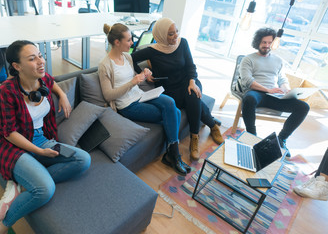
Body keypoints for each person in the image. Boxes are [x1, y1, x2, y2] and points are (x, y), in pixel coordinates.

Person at [0, 40, 91, 234]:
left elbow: (53, 83)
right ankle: (0, 225)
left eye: (41, 56)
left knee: (83, 159)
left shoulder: (42, 80)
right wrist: (38, 150)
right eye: (32, 59)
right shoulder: (5, 93)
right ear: (17, 67)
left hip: (43, 139)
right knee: (45, 189)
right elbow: (9, 133)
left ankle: (22, 186)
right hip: (14, 148)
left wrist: (63, 95)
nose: (40, 62)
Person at [99, 23, 190, 176]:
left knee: (170, 103)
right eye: (128, 40)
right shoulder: (105, 65)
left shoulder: (127, 57)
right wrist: (132, 83)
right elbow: (108, 95)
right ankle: (173, 155)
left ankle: (172, 155)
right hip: (127, 106)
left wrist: (145, 72)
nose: (132, 43)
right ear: (117, 42)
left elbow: (136, 76)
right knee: (175, 114)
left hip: (140, 95)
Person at [131, 17, 223, 161]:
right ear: (161, 35)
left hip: (188, 81)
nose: (175, 36)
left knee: (193, 94)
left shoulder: (182, 43)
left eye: (176, 32)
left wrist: (192, 82)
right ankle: (212, 124)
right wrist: (143, 73)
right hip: (168, 88)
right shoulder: (152, 51)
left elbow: (191, 66)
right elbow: (130, 59)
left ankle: (194, 138)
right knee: (190, 101)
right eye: (170, 34)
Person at [238, 27, 310, 157]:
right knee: (248, 99)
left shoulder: (278, 60)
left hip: (274, 95)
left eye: (269, 42)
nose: (266, 45)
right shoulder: (248, 59)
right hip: (256, 93)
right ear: (257, 43)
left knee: (303, 107)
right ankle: (251, 136)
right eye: (264, 42)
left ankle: (281, 139)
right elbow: (248, 81)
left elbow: (282, 79)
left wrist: (286, 89)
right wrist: (267, 89)